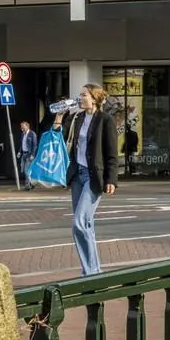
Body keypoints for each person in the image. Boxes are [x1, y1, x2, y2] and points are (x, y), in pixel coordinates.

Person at [61, 86, 117, 275]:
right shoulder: (77, 118)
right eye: (80, 95)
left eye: (84, 95)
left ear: (94, 99)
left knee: (79, 222)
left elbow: (111, 153)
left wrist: (111, 179)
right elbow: (61, 138)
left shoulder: (105, 120)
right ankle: (92, 271)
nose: (80, 98)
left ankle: (90, 272)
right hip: (77, 175)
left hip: (94, 177)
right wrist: (59, 117)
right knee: (87, 225)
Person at [17, 120, 38, 191]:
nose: (22, 129)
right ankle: (31, 184)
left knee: (26, 170)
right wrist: (19, 152)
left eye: (23, 127)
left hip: (29, 155)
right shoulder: (22, 134)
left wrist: (32, 154)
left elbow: (35, 145)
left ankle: (28, 186)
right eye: (21, 127)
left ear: (27, 126)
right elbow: (22, 145)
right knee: (23, 169)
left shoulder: (32, 134)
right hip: (24, 154)